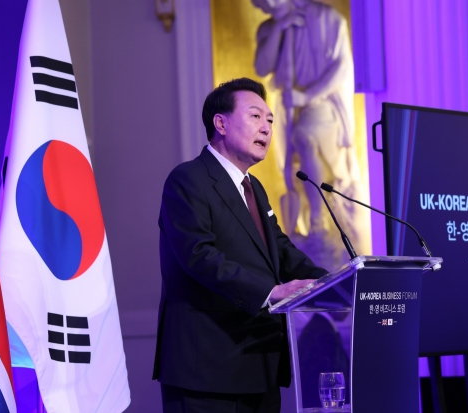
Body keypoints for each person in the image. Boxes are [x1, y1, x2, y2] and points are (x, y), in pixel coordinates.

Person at [153, 78, 328, 413]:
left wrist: (333, 282)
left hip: (259, 365)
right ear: (220, 123)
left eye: (270, 120)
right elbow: (199, 256)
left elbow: (281, 249)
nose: (267, 127)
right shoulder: (188, 179)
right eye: (255, 117)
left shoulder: (255, 188)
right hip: (205, 369)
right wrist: (271, 292)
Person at [252, 0, 359, 241]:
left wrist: (306, 95)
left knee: (304, 138)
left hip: (320, 102)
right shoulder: (270, 27)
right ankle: (306, 223)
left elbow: (341, 67)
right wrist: (279, 28)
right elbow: (261, 67)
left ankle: (318, 220)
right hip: (288, 105)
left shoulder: (329, 19)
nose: (265, 6)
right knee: (290, 171)